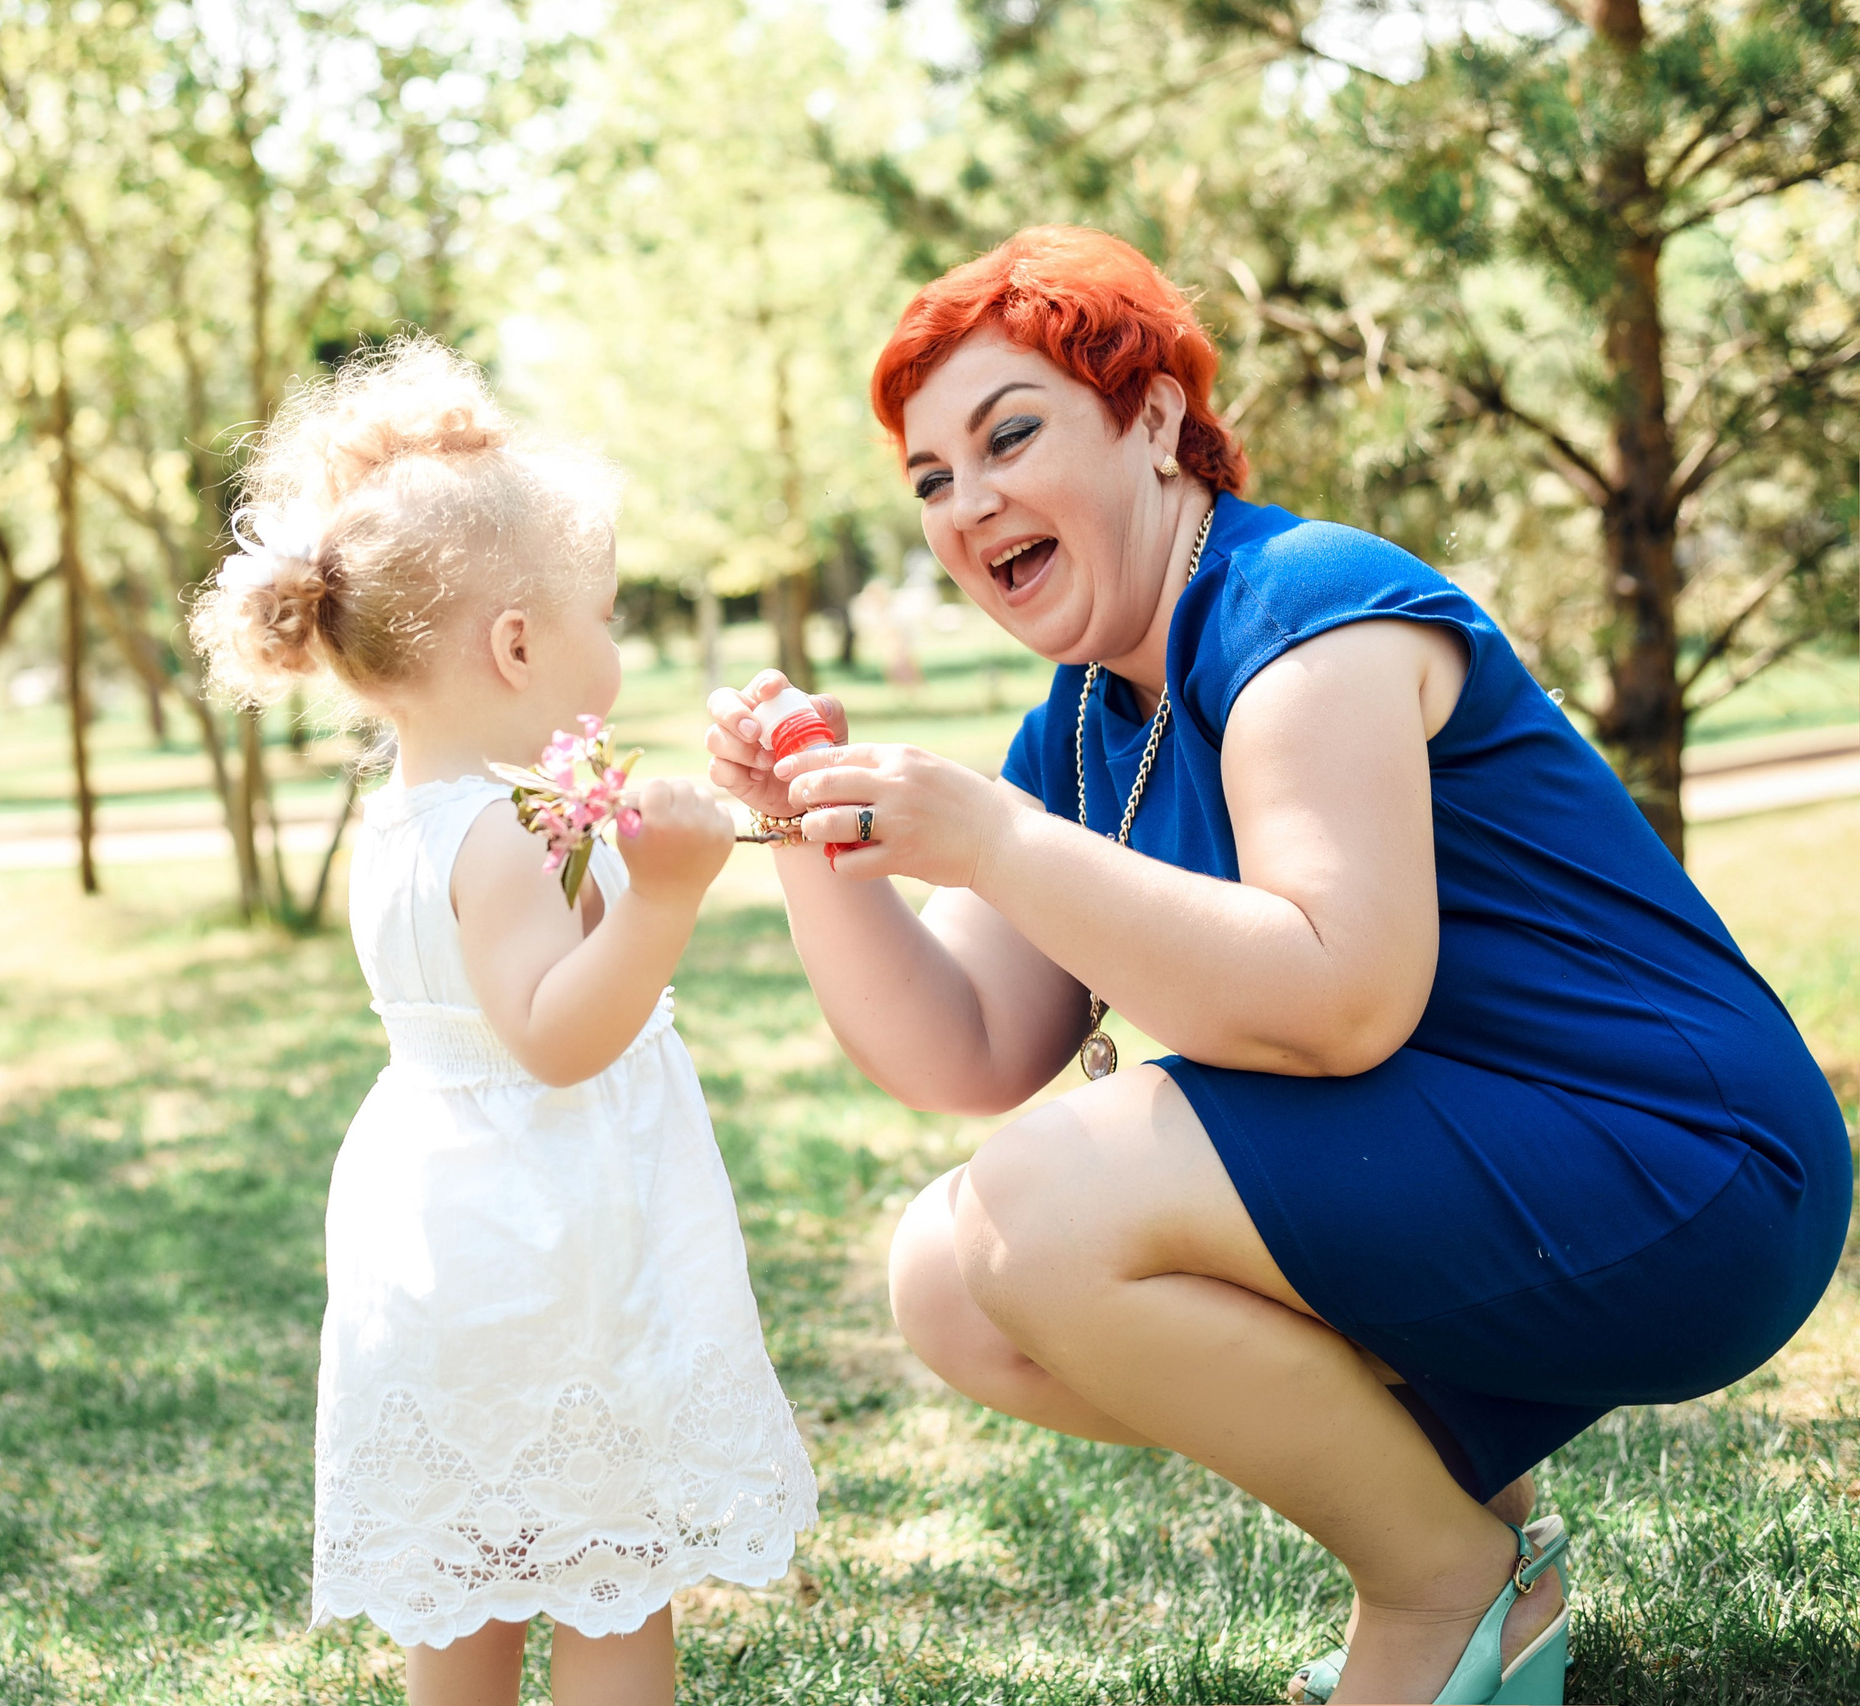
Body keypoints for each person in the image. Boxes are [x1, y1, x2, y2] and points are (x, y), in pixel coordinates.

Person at [703, 227, 1848, 1705]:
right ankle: (1493, 1558)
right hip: (1494, 1158)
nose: (968, 501)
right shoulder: (1078, 724)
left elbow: (1339, 995)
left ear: (1157, 420)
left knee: (1041, 1204)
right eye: (931, 478)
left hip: (1691, 1164)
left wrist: (995, 842)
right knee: (953, 1277)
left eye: (1010, 436)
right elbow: (966, 1047)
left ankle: (1437, 1591)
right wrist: (806, 832)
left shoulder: (1302, 609)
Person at [192, 339, 816, 1706]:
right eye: (603, 613)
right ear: (519, 644)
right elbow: (555, 1033)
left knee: (466, 1569)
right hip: (552, 1242)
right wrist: (661, 898)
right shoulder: (493, 835)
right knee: (609, 1561)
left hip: (444, 1228)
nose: (616, 643)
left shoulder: (416, 817)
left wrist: (598, 842)